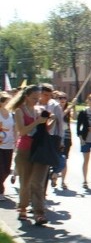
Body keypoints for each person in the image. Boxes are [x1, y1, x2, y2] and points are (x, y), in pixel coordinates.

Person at [8, 85, 49, 223]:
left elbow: (46, 130)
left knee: (38, 182)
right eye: (34, 98)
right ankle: (23, 208)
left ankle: (39, 212)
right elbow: (22, 131)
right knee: (25, 181)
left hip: (40, 150)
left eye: (39, 98)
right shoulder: (20, 111)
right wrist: (37, 121)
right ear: (26, 97)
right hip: (25, 149)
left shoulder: (40, 110)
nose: (37, 100)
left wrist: (50, 120)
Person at [53, 92, 74, 190]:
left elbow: (74, 117)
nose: (62, 100)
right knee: (56, 158)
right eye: (60, 98)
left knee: (64, 159)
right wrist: (69, 107)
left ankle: (63, 181)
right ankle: (54, 175)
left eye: (64, 98)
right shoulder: (55, 108)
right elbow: (60, 116)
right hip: (56, 137)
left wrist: (73, 108)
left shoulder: (69, 110)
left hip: (66, 137)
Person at [0, 92, 16, 200]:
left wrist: (16, 141)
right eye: (7, 101)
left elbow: (15, 129)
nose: (9, 103)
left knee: (6, 170)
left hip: (9, 145)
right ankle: (1, 191)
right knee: (1, 169)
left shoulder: (12, 114)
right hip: (0, 145)